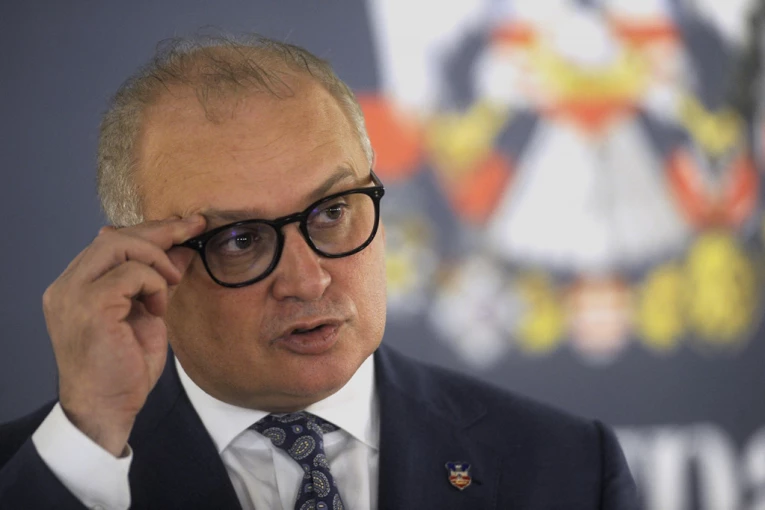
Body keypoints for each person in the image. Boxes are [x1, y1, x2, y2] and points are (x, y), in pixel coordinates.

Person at [0, 34, 639, 510]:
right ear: (140, 265)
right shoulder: (43, 475)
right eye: (240, 239)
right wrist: (90, 439)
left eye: (333, 211)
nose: (308, 282)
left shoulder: (569, 470)